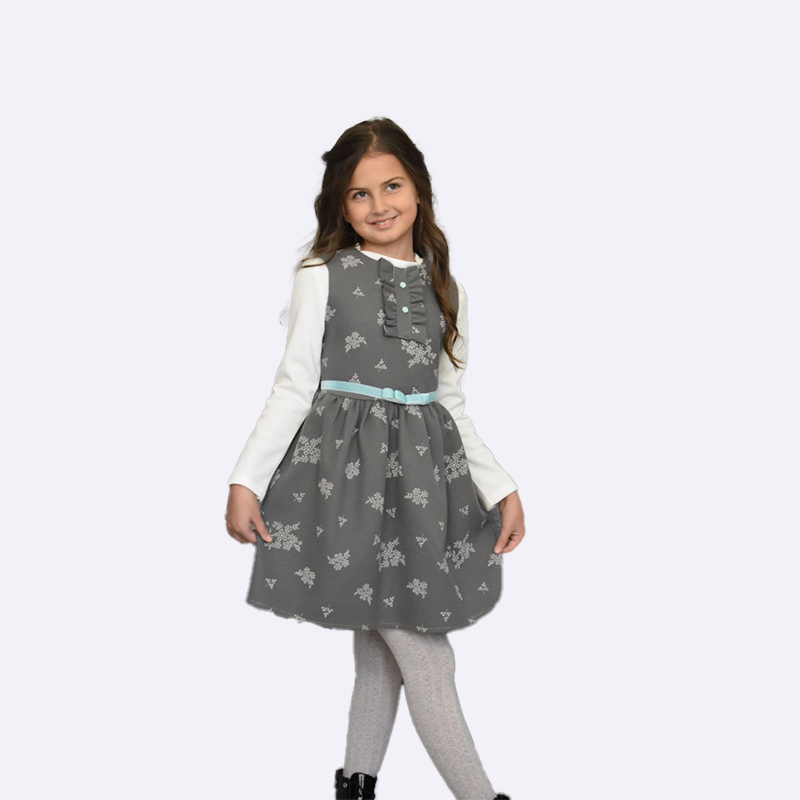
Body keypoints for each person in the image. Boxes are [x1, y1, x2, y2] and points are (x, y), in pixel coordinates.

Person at [225, 117, 525, 800]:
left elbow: (451, 403)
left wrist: (501, 486)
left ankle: (355, 787)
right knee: (424, 652)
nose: (379, 204)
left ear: (419, 188)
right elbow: (294, 385)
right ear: (340, 204)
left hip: (424, 489)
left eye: (392, 186)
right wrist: (246, 479)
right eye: (359, 193)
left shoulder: (447, 290)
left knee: (379, 653)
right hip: (346, 486)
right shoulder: (322, 276)